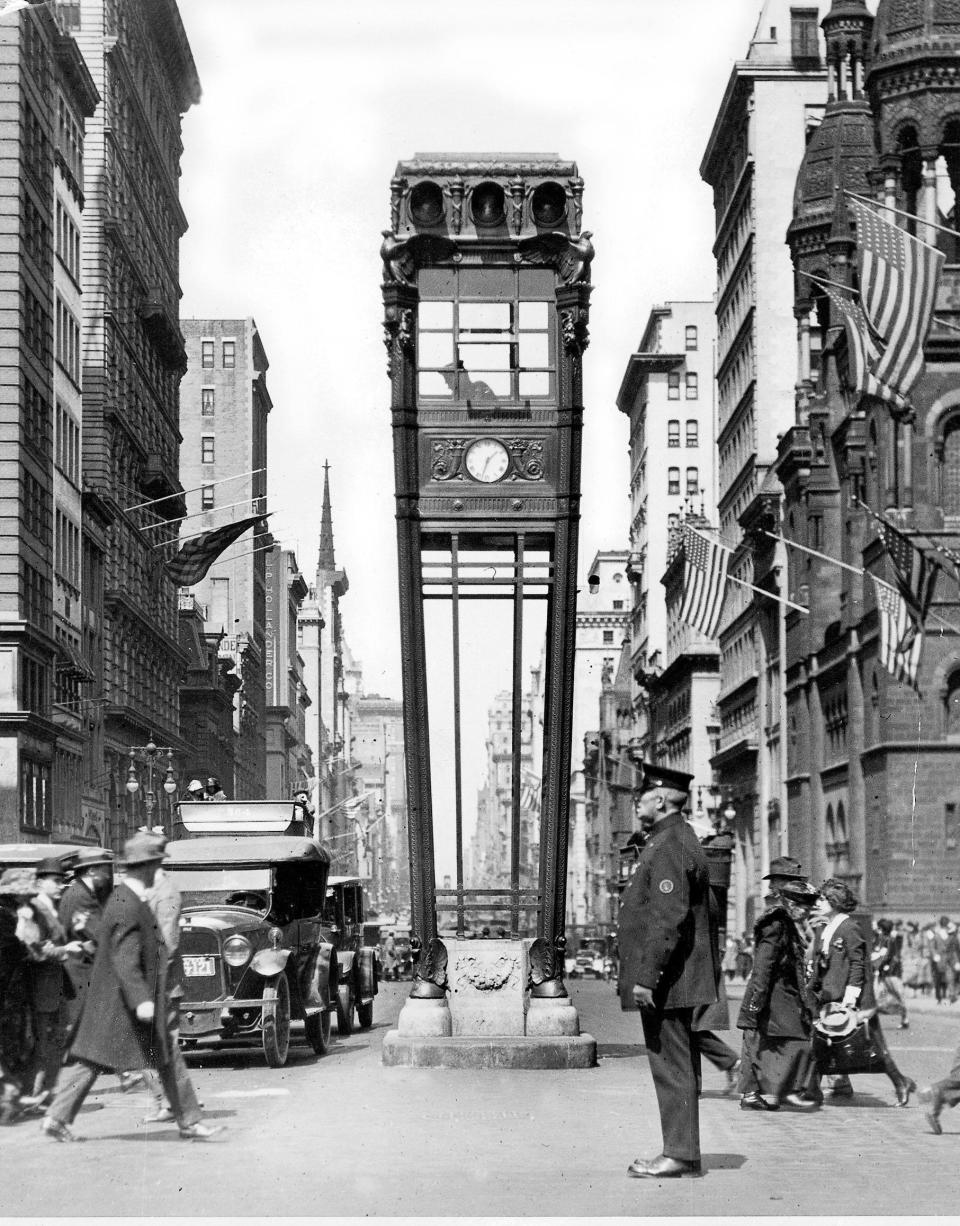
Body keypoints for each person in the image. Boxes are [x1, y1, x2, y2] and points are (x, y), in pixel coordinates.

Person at [41, 832, 223, 1142]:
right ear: (146, 866)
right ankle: (190, 1121)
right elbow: (125, 958)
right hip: (127, 1001)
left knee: (98, 1059)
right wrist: (142, 1000)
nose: (159, 870)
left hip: (117, 1001)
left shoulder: (125, 898)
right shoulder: (128, 903)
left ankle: (56, 1119)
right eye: (156, 864)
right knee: (163, 1058)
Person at [618, 764, 719, 1179]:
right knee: (680, 1066)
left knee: (671, 1067)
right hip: (677, 978)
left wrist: (647, 977)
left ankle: (678, 1153)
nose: (637, 803)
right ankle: (684, 1152)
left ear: (659, 800)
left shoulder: (669, 844)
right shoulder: (673, 839)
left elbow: (667, 918)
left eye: (641, 797)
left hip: (668, 981)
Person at [805, 878, 915, 1108]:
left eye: (823, 899)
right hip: (831, 995)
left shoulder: (849, 927)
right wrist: (812, 989)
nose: (819, 903)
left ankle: (900, 1082)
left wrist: (850, 998)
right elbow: (822, 963)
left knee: (873, 1048)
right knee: (821, 1044)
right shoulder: (827, 928)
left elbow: (858, 964)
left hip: (852, 999)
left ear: (835, 902)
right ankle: (811, 1091)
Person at [736, 859, 819, 1111]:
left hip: (779, 993)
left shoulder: (785, 920)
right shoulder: (775, 922)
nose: (806, 911)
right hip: (767, 993)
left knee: (770, 1041)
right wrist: (756, 1001)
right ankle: (753, 1092)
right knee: (754, 1039)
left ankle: (771, 1089)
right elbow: (763, 966)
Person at [21, 857, 83, 1103]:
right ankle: (26, 1094)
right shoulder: (33, 909)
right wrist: (66, 950)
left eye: (62, 881)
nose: (60, 886)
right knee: (42, 1042)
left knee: (56, 1041)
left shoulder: (51, 908)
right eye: (55, 881)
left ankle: (44, 1092)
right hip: (39, 987)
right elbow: (34, 948)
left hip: (55, 987)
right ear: (39, 883)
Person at [58, 848, 115, 1039]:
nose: (107, 875)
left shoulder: (77, 892)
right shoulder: (82, 897)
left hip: (78, 970)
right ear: (91, 871)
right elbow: (101, 934)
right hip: (81, 973)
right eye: (104, 869)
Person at [0, 868, 37, 1123]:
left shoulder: (11, 914)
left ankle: (9, 1099)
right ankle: (8, 1097)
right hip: (6, 992)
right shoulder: (6, 916)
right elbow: (17, 948)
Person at [873, 917, 909, 1030]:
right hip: (887, 972)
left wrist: (876, 965)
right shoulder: (884, 938)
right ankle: (903, 1018)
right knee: (881, 996)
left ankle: (905, 1019)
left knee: (897, 995)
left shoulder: (887, 940)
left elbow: (886, 956)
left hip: (891, 972)